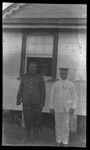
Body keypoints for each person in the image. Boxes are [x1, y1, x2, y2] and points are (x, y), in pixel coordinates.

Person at [16, 62, 45, 143]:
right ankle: (27, 137)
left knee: (36, 121)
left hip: (37, 103)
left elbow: (43, 91)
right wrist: (18, 98)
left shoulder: (40, 77)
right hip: (26, 102)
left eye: (34, 67)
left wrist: (42, 102)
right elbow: (20, 89)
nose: (32, 69)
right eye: (31, 67)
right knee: (27, 120)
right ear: (28, 68)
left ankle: (35, 138)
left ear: (36, 68)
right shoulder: (24, 77)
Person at [49, 67, 77, 146]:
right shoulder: (56, 84)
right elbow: (52, 96)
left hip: (67, 109)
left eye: (65, 73)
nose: (63, 74)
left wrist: (73, 107)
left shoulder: (71, 84)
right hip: (57, 108)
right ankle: (58, 141)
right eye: (62, 73)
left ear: (67, 74)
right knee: (58, 126)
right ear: (60, 74)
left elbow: (75, 97)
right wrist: (51, 107)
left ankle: (65, 142)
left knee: (65, 126)